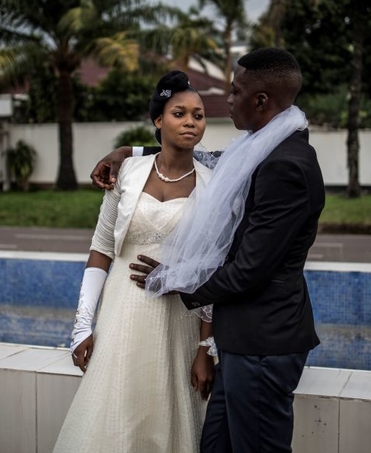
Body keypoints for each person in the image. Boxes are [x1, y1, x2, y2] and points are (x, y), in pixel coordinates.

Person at [92, 48, 325, 452]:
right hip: (240, 342)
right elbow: (194, 156)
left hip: (263, 344)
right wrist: (127, 153)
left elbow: (249, 269)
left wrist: (172, 279)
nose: (228, 101)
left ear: (261, 101)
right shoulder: (258, 148)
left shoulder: (284, 165)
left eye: (235, 92)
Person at [53, 71, 215, 453]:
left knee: (165, 412)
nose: (190, 121)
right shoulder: (126, 171)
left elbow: (211, 268)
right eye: (179, 113)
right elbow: (101, 249)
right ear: (158, 120)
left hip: (178, 315)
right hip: (122, 312)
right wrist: (81, 325)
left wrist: (205, 347)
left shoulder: (213, 185)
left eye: (199, 114)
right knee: (113, 411)